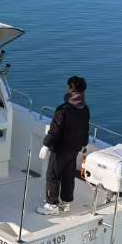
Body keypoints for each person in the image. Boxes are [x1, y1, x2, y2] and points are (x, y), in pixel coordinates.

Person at [37, 76, 90, 216]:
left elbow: (55, 131)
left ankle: (52, 204)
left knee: (53, 175)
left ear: (71, 89)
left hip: (60, 149)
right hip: (74, 149)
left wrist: (46, 145)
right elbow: (85, 129)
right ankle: (66, 203)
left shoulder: (63, 110)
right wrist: (84, 145)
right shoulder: (84, 108)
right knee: (68, 176)